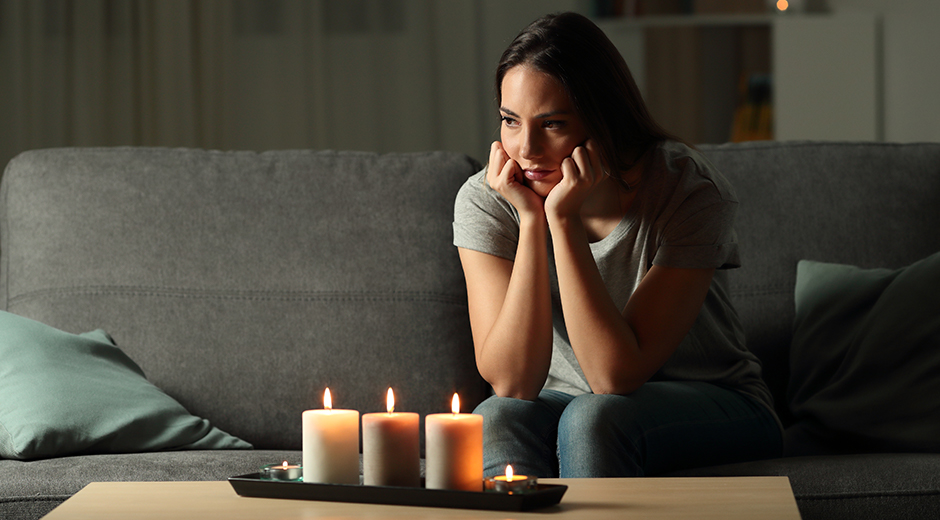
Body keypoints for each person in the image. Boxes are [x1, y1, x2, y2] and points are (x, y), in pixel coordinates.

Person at [452, 12, 782, 478]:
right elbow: (513, 381)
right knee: (493, 419)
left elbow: (613, 378)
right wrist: (531, 221)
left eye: (552, 124)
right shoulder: (488, 201)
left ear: (603, 120)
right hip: (564, 401)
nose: (525, 149)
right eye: (510, 121)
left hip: (714, 400)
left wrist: (561, 220)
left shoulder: (686, 190)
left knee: (596, 418)